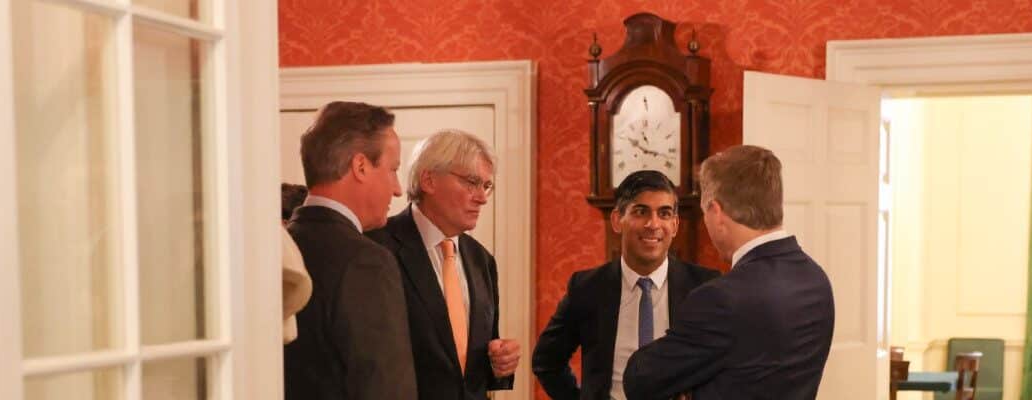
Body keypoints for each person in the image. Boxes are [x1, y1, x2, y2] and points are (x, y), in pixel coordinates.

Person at [623, 145, 835, 400]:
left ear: (716, 212)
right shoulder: (816, 281)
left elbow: (640, 379)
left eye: (704, 214)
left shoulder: (719, 299)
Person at [531, 170, 720, 400]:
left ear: (675, 224)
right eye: (641, 212)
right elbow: (546, 361)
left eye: (664, 213)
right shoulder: (587, 287)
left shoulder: (705, 287)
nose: (653, 224)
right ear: (617, 220)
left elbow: (727, 365)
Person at [367, 129, 521, 400]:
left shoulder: (482, 260)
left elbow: (473, 364)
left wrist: (500, 365)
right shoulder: (376, 249)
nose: (482, 197)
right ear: (429, 180)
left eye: (486, 186)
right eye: (472, 182)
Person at [284, 101, 416, 400]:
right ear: (360, 166)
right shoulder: (367, 263)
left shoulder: (277, 250)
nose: (397, 189)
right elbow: (387, 391)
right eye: (393, 169)